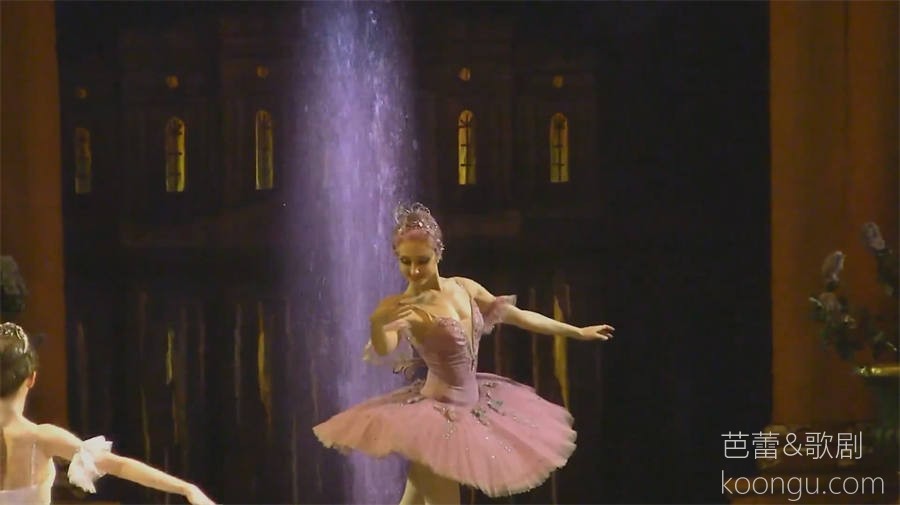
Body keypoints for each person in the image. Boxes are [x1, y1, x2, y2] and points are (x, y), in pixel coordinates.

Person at [313, 203, 615, 504]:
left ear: (438, 254)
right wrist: (377, 324)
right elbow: (385, 348)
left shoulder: (463, 287)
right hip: (438, 416)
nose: (414, 270)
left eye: (422, 260)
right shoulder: (406, 307)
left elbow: (519, 316)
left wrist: (577, 332)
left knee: (413, 498)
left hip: (472, 403)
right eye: (406, 262)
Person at [0, 322, 216, 505]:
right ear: (31, 378)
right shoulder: (41, 438)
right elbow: (119, 466)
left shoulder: (41, 438)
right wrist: (186, 488)